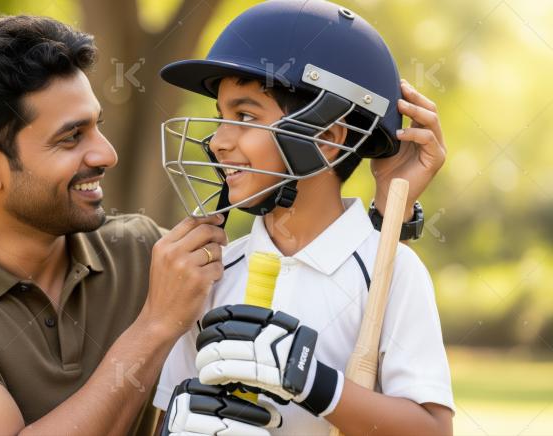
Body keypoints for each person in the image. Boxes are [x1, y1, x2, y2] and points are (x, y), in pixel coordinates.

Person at [0, 11, 442, 436]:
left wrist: (393, 212)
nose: (106, 154)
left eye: (97, 125)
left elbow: (319, 258)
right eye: (71, 138)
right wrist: (157, 324)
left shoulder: (154, 254)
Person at [154, 1, 453, 435]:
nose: (218, 141)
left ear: (326, 139)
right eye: (221, 118)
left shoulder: (391, 271)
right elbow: (168, 412)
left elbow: (433, 430)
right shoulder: (210, 274)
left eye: (245, 116)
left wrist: (316, 382)